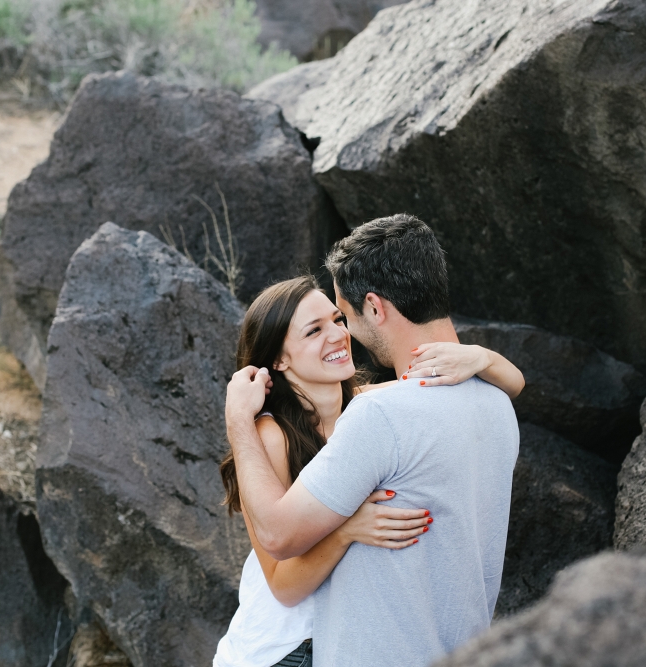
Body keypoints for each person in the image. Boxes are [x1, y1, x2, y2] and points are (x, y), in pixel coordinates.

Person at [223, 215, 522, 667]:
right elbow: (281, 573)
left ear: (372, 308)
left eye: (339, 318)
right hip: (276, 651)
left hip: (320, 641)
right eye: (314, 329)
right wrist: (237, 422)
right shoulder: (273, 433)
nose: (340, 333)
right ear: (280, 359)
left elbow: (508, 385)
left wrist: (482, 356)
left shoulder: (366, 405)